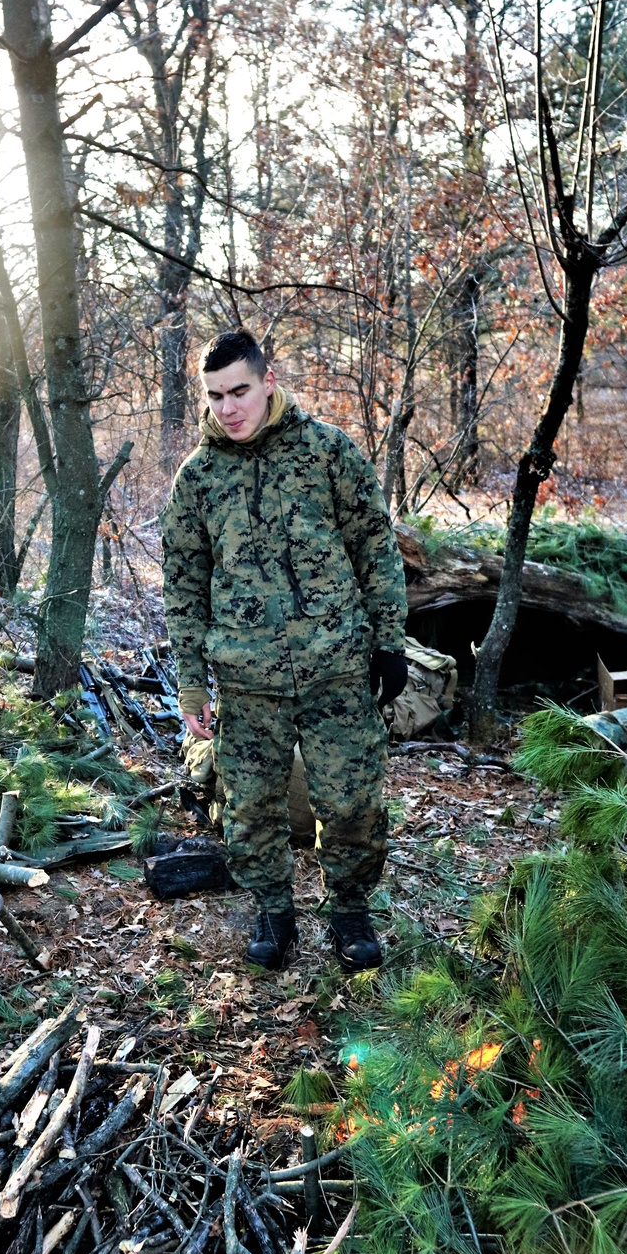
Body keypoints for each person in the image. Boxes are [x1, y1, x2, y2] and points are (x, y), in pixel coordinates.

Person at [159, 329, 408, 971]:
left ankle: (349, 910)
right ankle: (274, 910)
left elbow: (375, 549)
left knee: (352, 803)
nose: (228, 408)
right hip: (246, 681)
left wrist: (389, 642)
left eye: (239, 390)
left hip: (337, 669)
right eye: (215, 396)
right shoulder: (198, 480)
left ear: (269, 382)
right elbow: (184, 589)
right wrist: (191, 686)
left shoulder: (328, 453)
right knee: (250, 810)